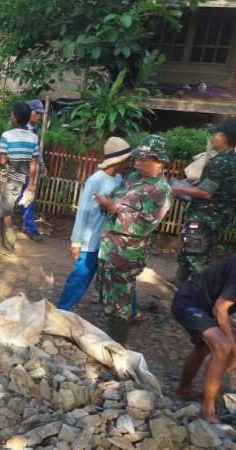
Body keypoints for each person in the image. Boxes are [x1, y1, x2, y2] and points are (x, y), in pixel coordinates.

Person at [94, 135, 172, 344]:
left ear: (158, 161)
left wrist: (114, 210)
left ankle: (117, 347)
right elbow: (116, 197)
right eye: (136, 158)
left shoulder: (161, 190)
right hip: (109, 247)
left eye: (142, 159)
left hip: (127, 255)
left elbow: (145, 225)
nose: (136, 163)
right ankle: (110, 336)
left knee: (120, 301)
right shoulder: (134, 178)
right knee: (106, 293)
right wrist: (107, 205)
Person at [56, 137, 132, 311]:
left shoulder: (118, 178)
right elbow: (83, 211)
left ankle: (130, 310)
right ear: (118, 161)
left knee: (117, 276)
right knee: (80, 276)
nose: (129, 164)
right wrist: (76, 241)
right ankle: (62, 310)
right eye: (127, 160)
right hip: (90, 240)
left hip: (108, 240)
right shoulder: (95, 180)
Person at [170, 120, 236, 287]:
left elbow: (205, 193)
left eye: (215, 134)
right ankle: (179, 281)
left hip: (205, 216)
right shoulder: (231, 159)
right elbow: (220, 184)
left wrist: (178, 189)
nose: (212, 138)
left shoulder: (219, 162)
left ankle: (202, 292)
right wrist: (200, 181)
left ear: (224, 138)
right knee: (190, 248)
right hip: (219, 216)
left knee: (197, 256)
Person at [173, 255, 236, 423]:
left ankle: (184, 390)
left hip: (206, 308)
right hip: (188, 303)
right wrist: (233, 347)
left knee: (204, 347)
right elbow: (220, 308)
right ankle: (207, 411)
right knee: (223, 346)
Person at [0, 99, 46, 241]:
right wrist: (31, 184)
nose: (38, 116)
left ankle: (8, 242)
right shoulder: (33, 137)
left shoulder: (8, 134)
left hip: (9, 175)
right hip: (24, 173)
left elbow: (3, 159)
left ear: (14, 117)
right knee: (11, 204)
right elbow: (33, 162)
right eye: (36, 113)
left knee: (6, 209)